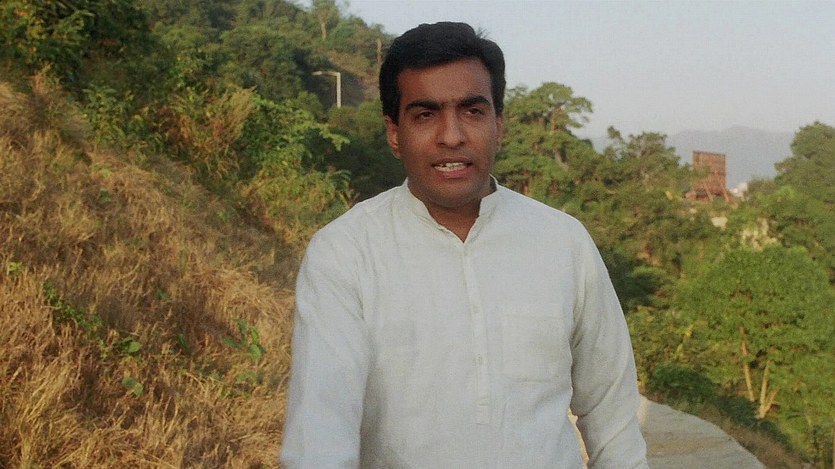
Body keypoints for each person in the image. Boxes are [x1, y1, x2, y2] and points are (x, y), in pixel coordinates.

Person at [281, 22, 648, 468]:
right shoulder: (346, 254)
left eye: (472, 111)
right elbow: (319, 437)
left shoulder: (564, 243)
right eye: (425, 115)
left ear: (499, 125)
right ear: (394, 133)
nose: (451, 136)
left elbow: (613, 420)